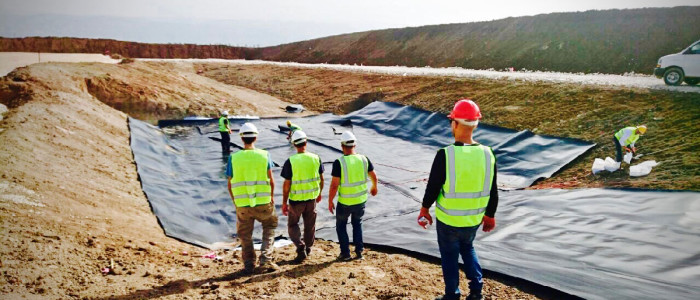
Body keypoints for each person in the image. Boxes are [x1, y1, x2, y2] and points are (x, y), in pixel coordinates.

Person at [417, 99, 499, 300]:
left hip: (448, 221)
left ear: (454, 123)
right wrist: (490, 215)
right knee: (468, 248)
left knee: (449, 257)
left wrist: (424, 209)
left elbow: (433, 187)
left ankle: (452, 295)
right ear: (476, 124)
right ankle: (476, 290)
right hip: (473, 220)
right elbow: (493, 189)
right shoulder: (488, 154)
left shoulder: (446, 154)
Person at [226, 122, 279, 274]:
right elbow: (271, 180)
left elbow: (230, 184)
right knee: (269, 227)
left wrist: (236, 202)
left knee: (245, 235)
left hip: (243, 204)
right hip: (263, 202)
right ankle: (266, 261)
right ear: (255, 137)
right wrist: (271, 197)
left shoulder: (233, 158)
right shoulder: (264, 155)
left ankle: (249, 264)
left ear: (241, 138)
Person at [328, 131, 378, 261]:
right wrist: (374, 187)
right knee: (357, 224)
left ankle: (345, 253)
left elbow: (334, 185)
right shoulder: (364, 159)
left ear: (342, 145)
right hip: (360, 201)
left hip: (345, 202)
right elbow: (374, 176)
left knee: (341, 226)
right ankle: (359, 251)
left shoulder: (339, 162)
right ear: (354, 145)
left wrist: (330, 201)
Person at [281, 130, 324, 263]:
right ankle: (308, 247)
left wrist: (284, 202)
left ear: (294, 144)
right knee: (310, 225)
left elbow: (286, 185)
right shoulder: (316, 158)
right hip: (311, 198)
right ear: (306, 142)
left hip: (296, 201)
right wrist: (319, 193)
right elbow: (322, 179)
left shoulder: (291, 161)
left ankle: (300, 247)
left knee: (293, 225)